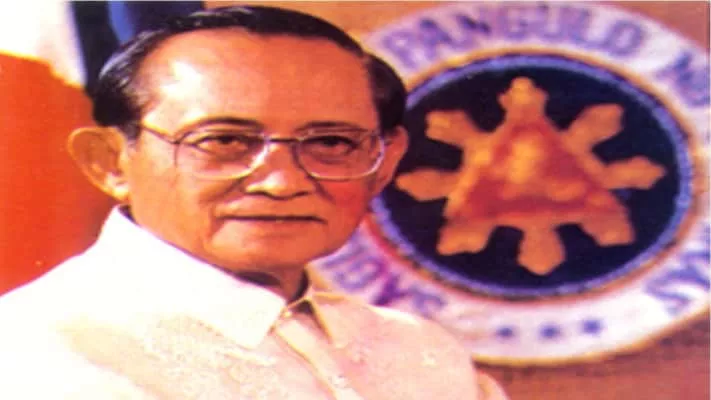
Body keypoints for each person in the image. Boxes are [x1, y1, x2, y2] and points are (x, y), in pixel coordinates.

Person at [0, 6, 507, 399]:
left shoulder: (422, 354)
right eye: (223, 141)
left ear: (384, 160)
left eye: (331, 142)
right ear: (109, 161)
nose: (282, 182)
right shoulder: (38, 355)